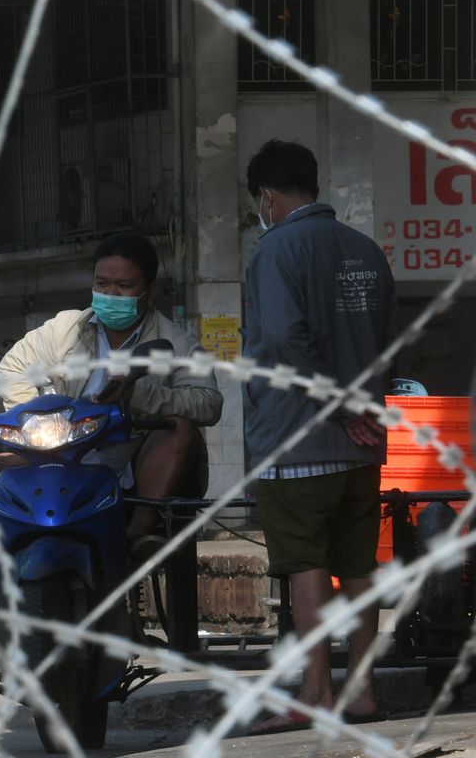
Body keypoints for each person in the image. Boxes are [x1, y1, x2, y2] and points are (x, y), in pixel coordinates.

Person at [241, 140, 396, 733]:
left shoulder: (275, 250)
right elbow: (386, 341)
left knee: (304, 562)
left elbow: (281, 341)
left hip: (297, 439)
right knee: (358, 564)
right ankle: (360, 694)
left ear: (268, 196)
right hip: (361, 446)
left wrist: (338, 405)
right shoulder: (365, 251)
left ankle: (314, 693)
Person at [0, 232, 223, 560]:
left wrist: (139, 395)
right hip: (61, 450)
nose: (109, 294)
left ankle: (138, 533)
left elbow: (209, 401)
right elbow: (14, 365)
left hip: (132, 453)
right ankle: (11, 559)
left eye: (123, 286)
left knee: (181, 429)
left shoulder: (178, 343)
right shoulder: (65, 329)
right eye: (101, 284)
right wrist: (31, 420)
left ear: (149, 292)